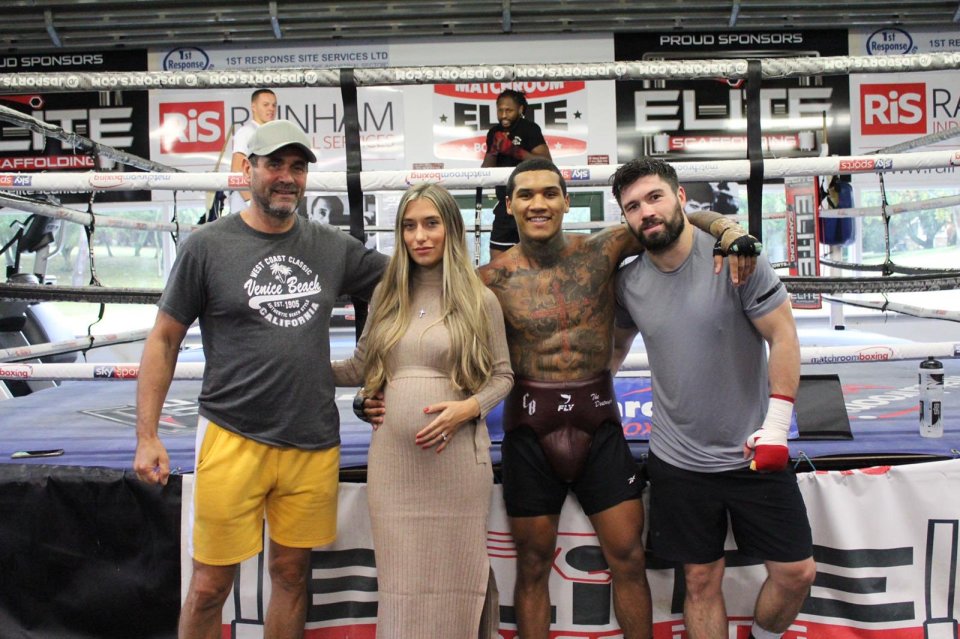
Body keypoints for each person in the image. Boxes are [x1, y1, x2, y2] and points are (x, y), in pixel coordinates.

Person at [363, 157, 758, 638]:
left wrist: (729, 228)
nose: (538, 203)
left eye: (549, 193)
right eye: (526, 195)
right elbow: (424, 333)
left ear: (567, 201)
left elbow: (672, 218)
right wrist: (376, 392)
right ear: (509, 206)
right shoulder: (488, 281)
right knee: (532, 566)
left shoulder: (602, 249)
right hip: (530, 428)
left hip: (599, 424)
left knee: (629, 558)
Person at [133, 120, 387, 639]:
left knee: (292, 575)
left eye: (297, 167)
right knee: (208, 585)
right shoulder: (207, 245)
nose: (287, 177)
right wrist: (147, 435)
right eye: (275, 164)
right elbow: (163, 339)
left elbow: (412, 274)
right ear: (248, 169)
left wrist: (498, 275)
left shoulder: (332, 247)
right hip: (231, 435)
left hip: (312, 439)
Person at [609, 158, 816, 639]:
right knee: (700, 580)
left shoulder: (737, 259)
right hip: (678, 460)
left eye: (655, 197)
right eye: (633, 206)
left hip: (751, 453)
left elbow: (783, 336)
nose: (646, 212)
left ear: (681, 199)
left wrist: (777, 427)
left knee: (796, 572)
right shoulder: (629, 283)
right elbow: (614, 353)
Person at [332, 183, 513, 638]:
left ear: (451, 229)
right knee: (401, 584)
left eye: (431, 223)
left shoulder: (479, 300)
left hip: (455, 462)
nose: (420, 236)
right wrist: (292, 358)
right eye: (409, 226)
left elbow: (502, 377)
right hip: (393, 469)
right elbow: (360, 367)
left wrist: (467, 409)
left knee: (460, 576)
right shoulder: (385, 298)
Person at [481, 89, 551, 259]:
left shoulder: (530, 129)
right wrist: (494, 150)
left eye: (509, 110)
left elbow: (546, 162)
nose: (503, 115)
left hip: (530, 203)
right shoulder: (494, 132)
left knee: (536, 258)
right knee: (497, 261)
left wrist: (513, 150)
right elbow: (485, 171)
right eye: (500, 110)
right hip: (505, 205)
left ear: (520, 109)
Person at [229, 88, 278, 213]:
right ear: (254, 107)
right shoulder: (246, 133)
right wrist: (250, 202)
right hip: (247, 209)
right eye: (266, 104)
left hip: (264, 208)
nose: (271, 109)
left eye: (274, 105)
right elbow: (236, 170)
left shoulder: (272, 135)